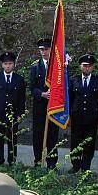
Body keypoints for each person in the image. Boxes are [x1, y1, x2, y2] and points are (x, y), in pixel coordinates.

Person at [68, 53, 98, 173]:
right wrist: (68, 115)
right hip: (76, 116)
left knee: (89, 142)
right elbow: (69, 99)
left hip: (91, 117)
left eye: (89, 66)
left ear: (92, 67)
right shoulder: (74, 80)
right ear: (80, 66)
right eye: (84, 66)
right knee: (75, 141)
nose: (87, 68)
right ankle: (75, 165)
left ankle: (86, 167)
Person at [0, 52, 26, 165]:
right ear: (2, 65)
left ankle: (12, 159)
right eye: (5, 64)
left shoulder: (19, 79)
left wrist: (20, 114)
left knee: (12, 138)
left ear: (13, 64)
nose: (8, 66)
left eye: (10, 63)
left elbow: (21, 98)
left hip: (13, 114)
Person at [29, 38, 60, 169]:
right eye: (41, 49)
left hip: (53, 106)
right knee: (38, 135)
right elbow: (31, 87)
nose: (44, 52)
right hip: (40, 106)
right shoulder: (35, 67)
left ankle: (51, 163)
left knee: (52, 135)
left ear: (51, 50)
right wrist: (42, 94)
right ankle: (38, 161)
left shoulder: (57, 67)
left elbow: (61, 85)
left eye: (46, 49)